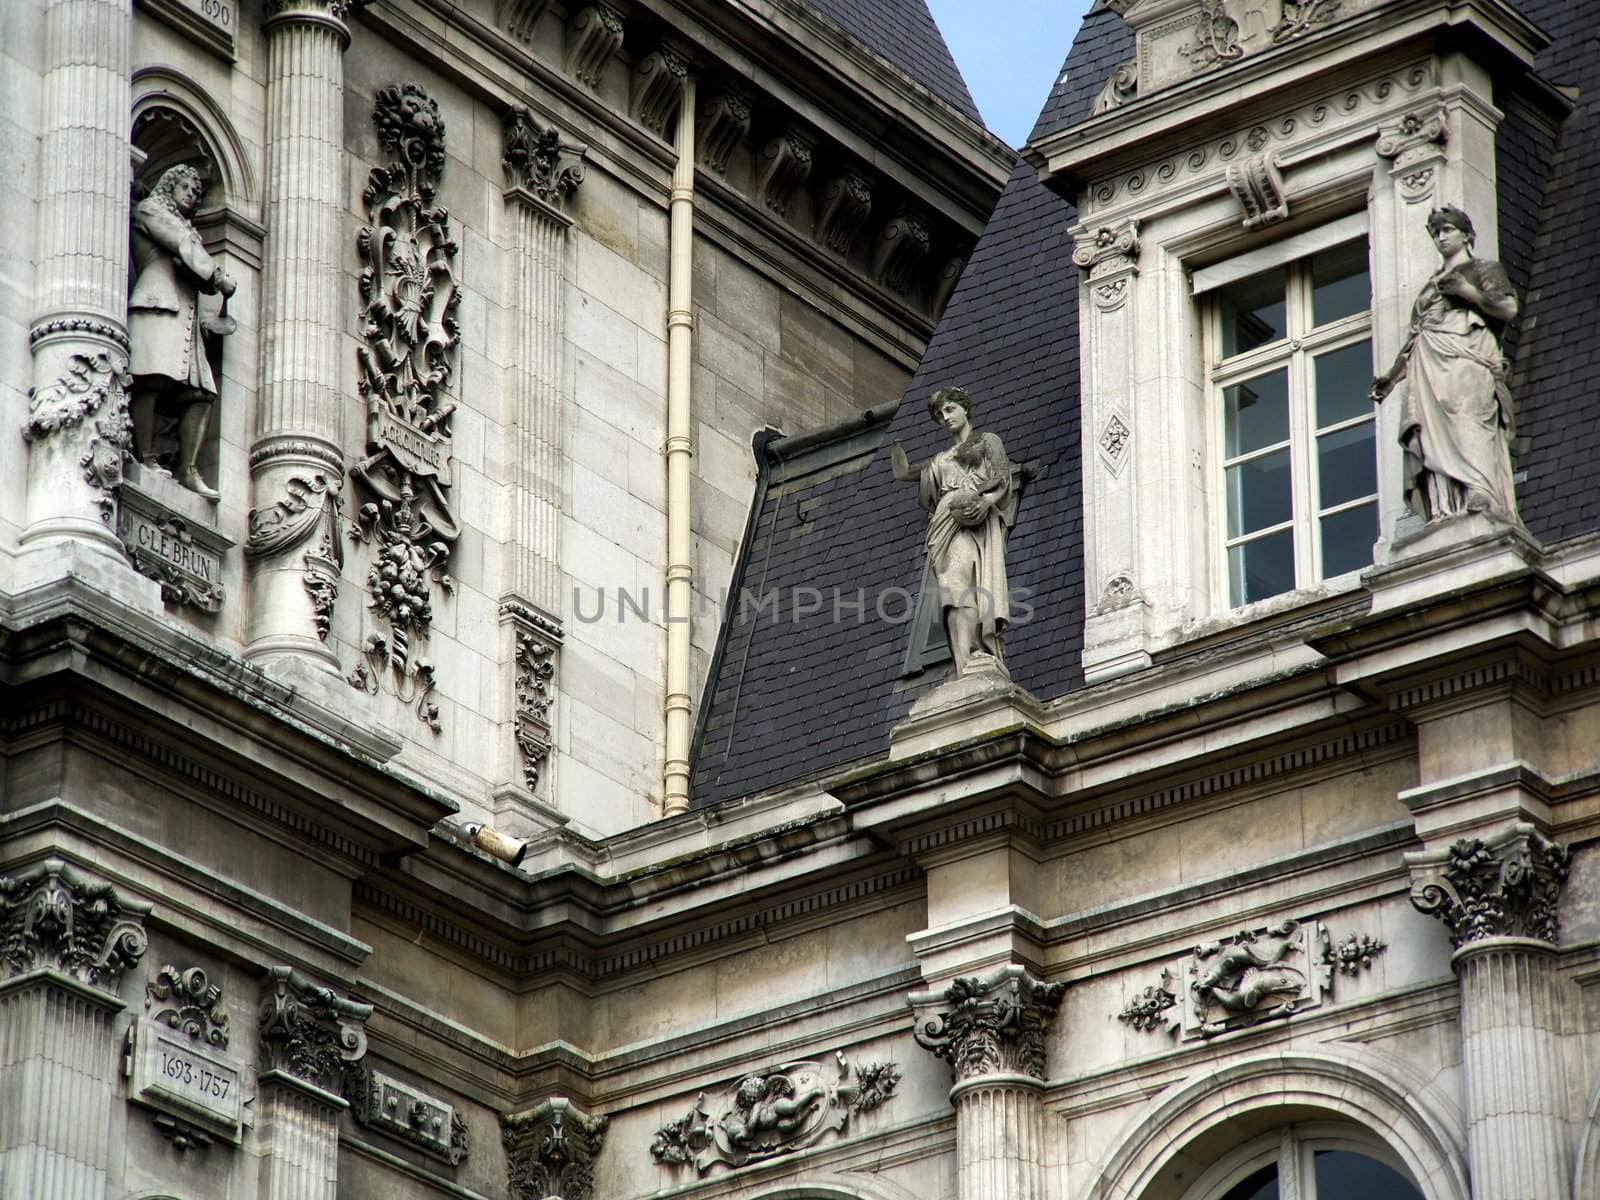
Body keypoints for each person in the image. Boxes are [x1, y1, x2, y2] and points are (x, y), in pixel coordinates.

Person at [1371, 206, 1520, 523]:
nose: (1441, 237)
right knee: (1431, 431)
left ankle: (1481, 490)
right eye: (1436, 232)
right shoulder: (1430, 285)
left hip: (1466, 356)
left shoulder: (1482, 269)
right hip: (1428, 362)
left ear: (1466, 235)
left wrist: (1467, 292)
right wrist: (1393, 377)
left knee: (1468, 416)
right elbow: (1414, 336)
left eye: (1448, 230)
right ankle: (1446, 507)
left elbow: (1507, 308)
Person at [891, 386, 1017, 678]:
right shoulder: (941, 458)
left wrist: (986, 503)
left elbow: (1001, 476)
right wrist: (895, 448)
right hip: (944, 521)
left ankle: (978, 651)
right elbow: (903, 473)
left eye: (949, 409)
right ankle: (964, 660)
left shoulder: (986, 441)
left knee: (963, 582)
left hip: (973, 517)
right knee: (950, 587)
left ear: (964, 408)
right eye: (939, 415)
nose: (944, 418)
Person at [129, 163, 237, 500]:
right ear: (169, 184)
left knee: (201, 392)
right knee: (151, 378)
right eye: (186, 187)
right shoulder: (151, 211)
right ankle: (145, 455)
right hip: (157, 303)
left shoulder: (186, 227)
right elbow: (180, 246)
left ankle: (188, 470)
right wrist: (218, 277)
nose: (192, 195)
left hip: (185, 315)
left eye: (196, 192)